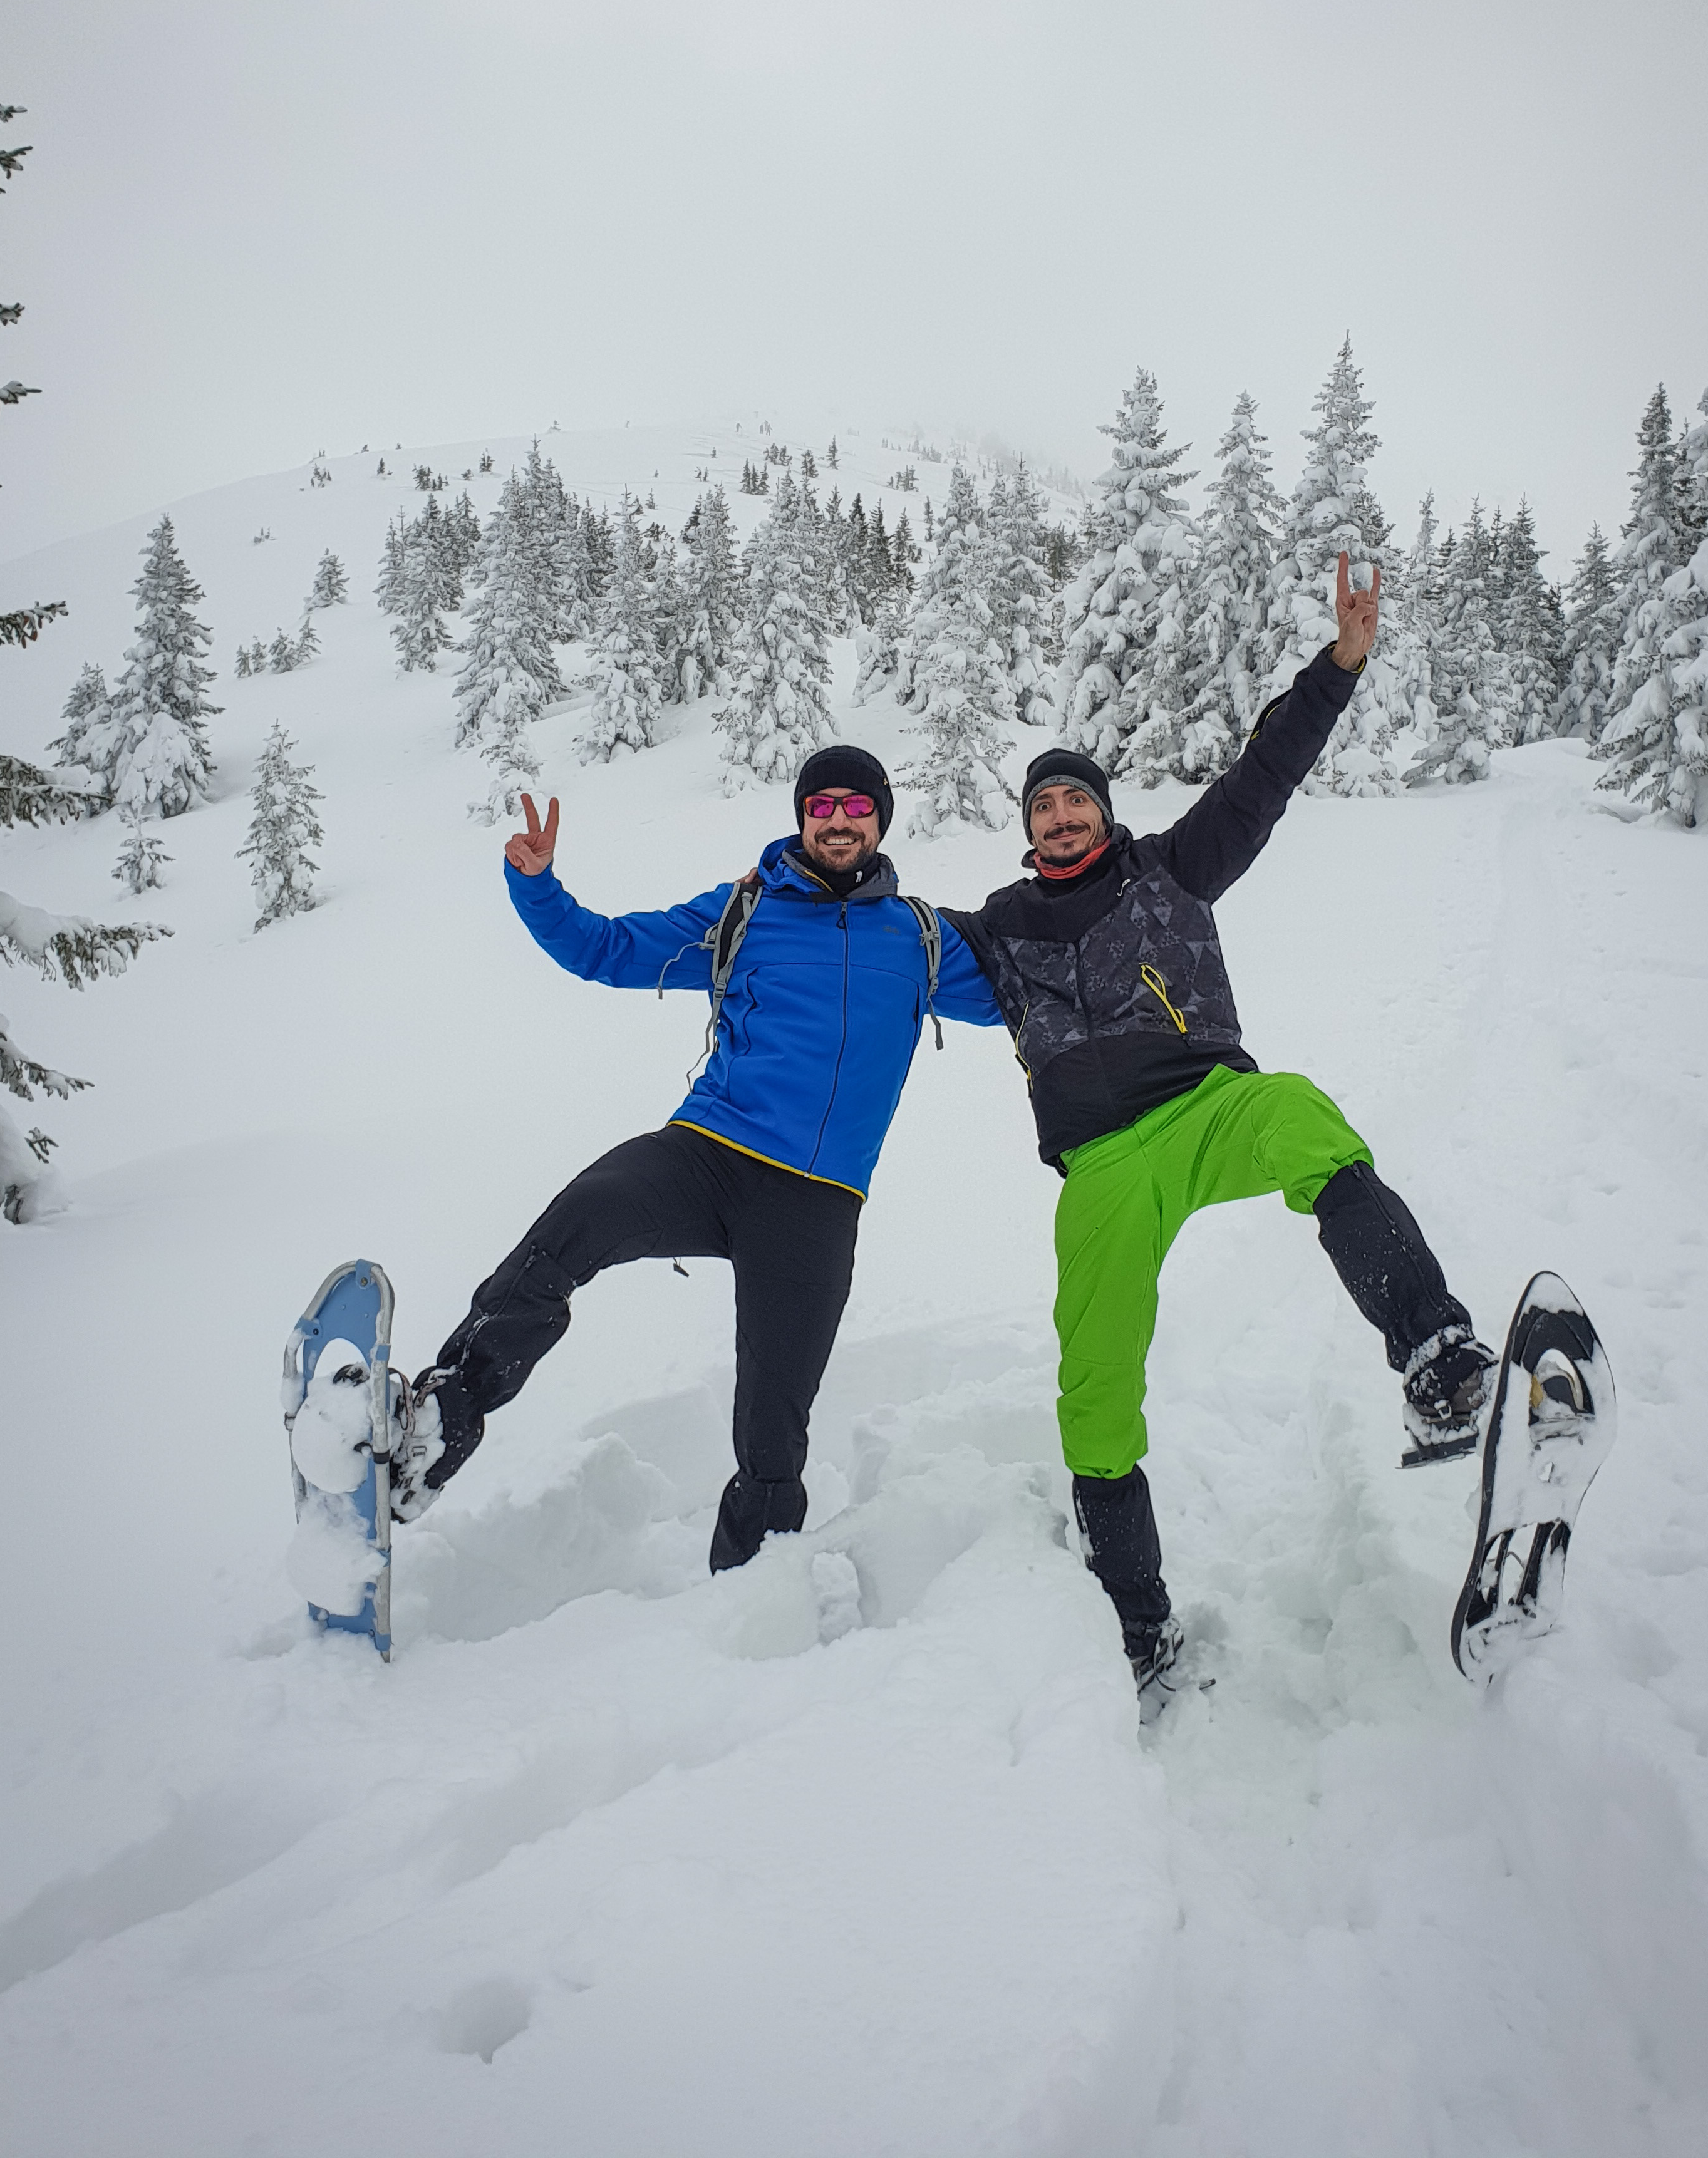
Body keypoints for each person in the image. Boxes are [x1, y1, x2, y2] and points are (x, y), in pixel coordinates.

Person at [943, 555, 1496, 1710]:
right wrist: (797, 895)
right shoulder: (995, 934)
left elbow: (1264, 775)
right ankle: (1138, 1620)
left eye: (1076, 800)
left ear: (1103, 812)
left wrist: (1339, 668)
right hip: (1102, 1165)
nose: (1062, 816)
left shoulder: (1172, 869)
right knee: (1095, 1384)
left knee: (1305, 1119)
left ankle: (1436, 1357)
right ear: (1027, 829)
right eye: (1043, 806)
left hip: (1208, 1107)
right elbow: (880, 945)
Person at [390, 746, 1004, 1569]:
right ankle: (443, 1417)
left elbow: (1028, 995)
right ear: (802, 817)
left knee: (774, 1435)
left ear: (881, 821)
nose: (838, 821)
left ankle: (749, 1595)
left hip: (817, 1200)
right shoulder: (744, 912)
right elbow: (606, 951)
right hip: (710, 1152)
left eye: (857, 807)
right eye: (821, 805)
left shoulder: (922, 938)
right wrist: (537, 885)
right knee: (578, 1221)